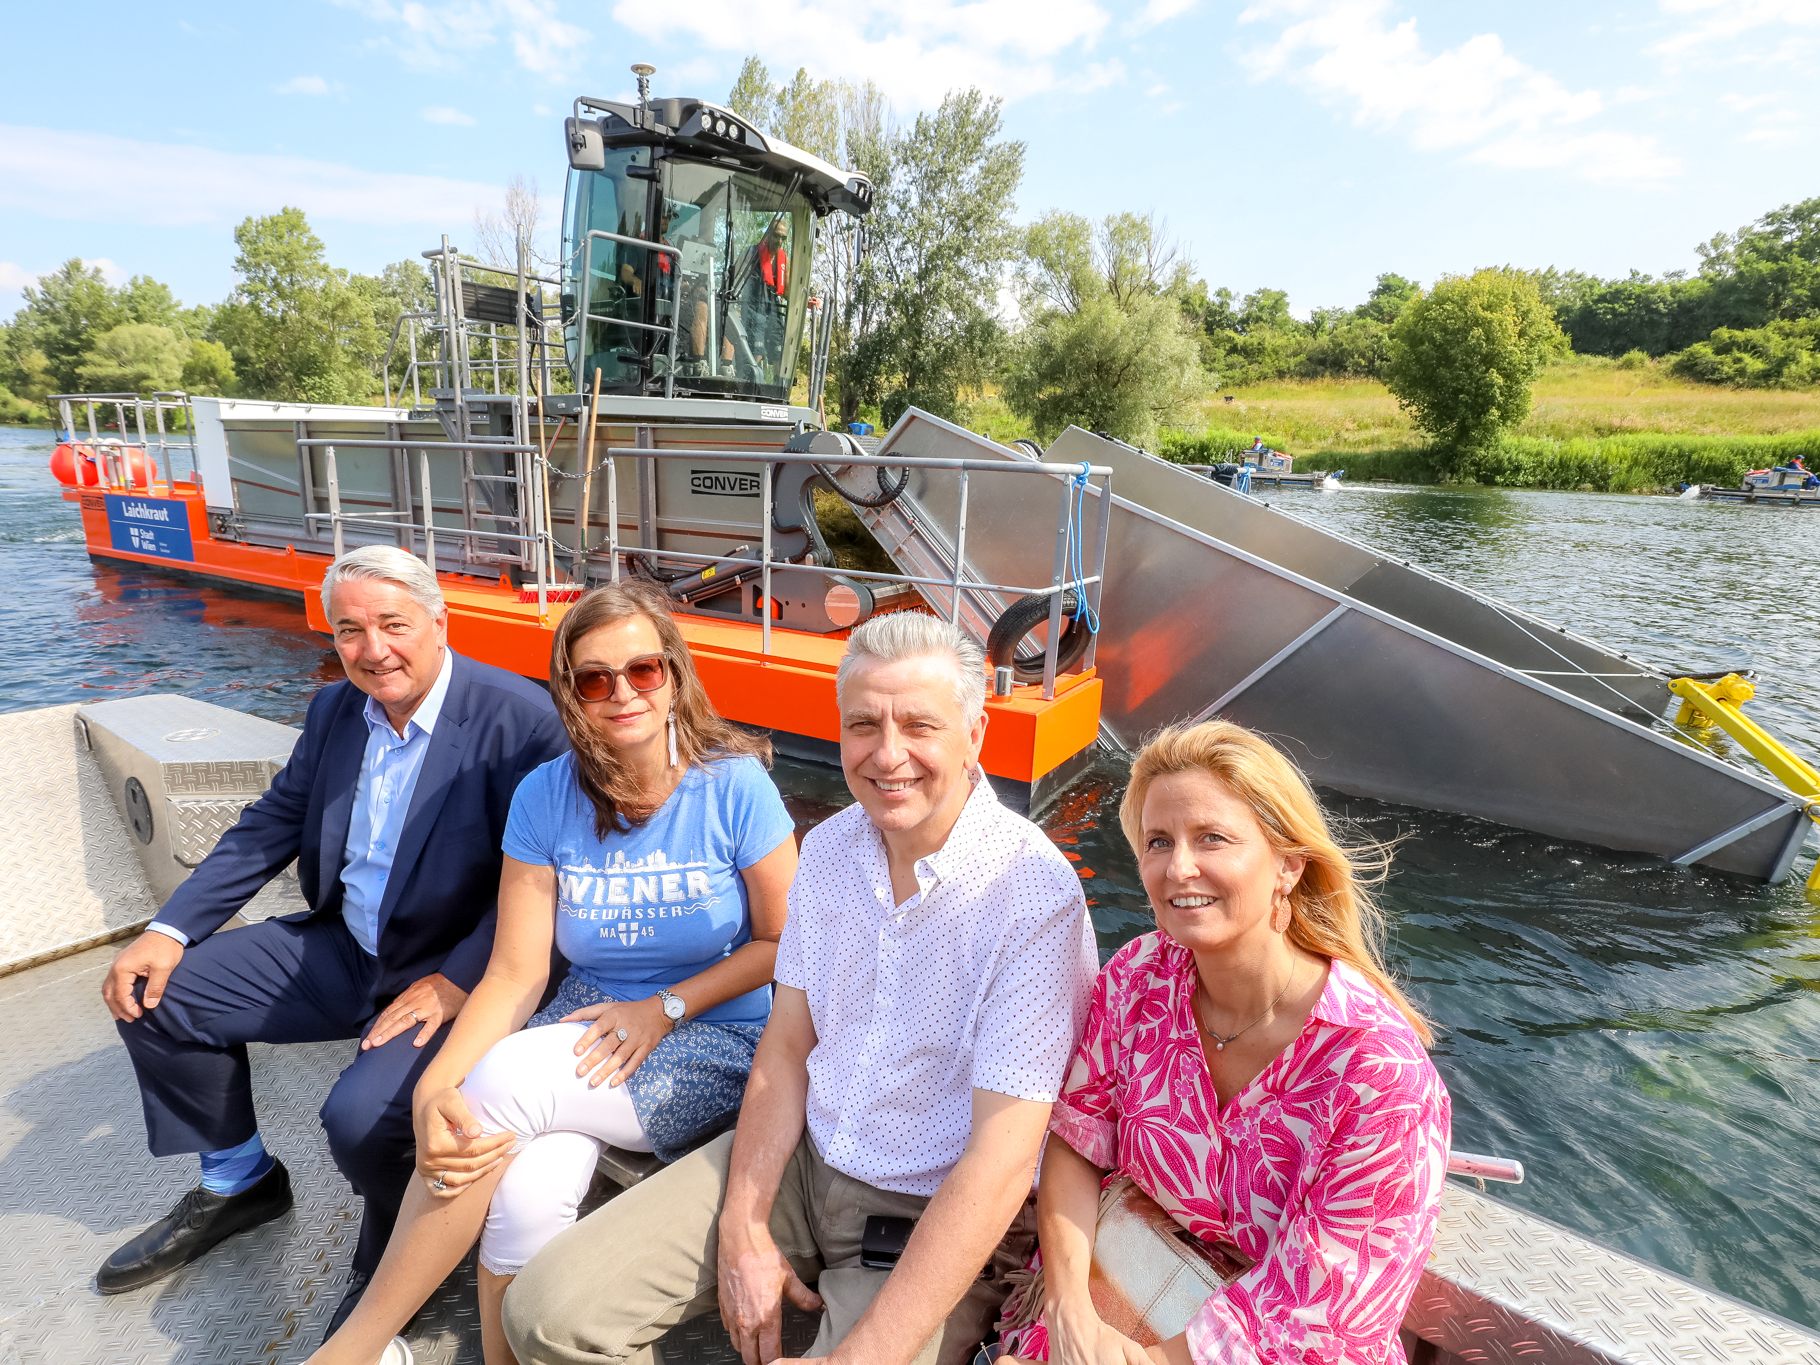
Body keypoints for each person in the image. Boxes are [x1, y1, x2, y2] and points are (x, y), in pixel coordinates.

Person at [502, 611, 1099, 1365]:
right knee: (547, 1313)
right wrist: (744, 1223)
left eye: (920, 725)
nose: (888, 755)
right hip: (803, 1161)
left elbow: (999, 1163)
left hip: (928, 1214)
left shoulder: (1032, 897)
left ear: (974, 733)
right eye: (862, 725)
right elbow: (785, 1049)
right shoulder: (831, 850)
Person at [312, 580, 798, 1365]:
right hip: (584, 1023)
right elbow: (514, 971)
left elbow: (786, 943)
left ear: (673, 672)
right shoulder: (547, 795)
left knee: (501, 1086)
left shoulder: (732, 785)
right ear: (570, 694)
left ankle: (352, 1349)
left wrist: (664, 1007)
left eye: (642, 670)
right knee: (524, 1191)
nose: (623, 694)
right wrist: (436, 1087)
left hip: (713, 1031)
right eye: (594, 679)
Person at [98, 545, 568, 1330]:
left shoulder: (522, 723)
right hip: (347, 946)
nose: (372, 649)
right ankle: (239, 1180)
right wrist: (168, 929)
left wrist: (456, 980)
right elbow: (273, 822)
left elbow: (546, 889)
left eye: (392, 623)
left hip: (453, 970)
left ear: (439, 619)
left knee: (361, 1121)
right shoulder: (334, 711)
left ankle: (393, 1256)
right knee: (153, 994)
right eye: (349, 630)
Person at [997, 720, 1451, 1365]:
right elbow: (1078, 1139)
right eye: (1159, 841)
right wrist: (1067, 1309)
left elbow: (1320, 1311)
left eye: (1212, 838)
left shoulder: (1378, 1075)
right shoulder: (1137, 979)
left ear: (1288, 866)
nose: (1179, 867)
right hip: (1111, 1307)